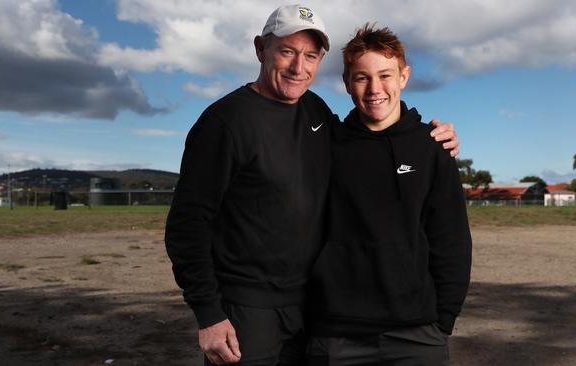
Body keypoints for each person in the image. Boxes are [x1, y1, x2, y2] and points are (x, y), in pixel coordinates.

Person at [165, 5, 459, 366]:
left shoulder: (316, 112)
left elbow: (372, 137)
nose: (298, 67)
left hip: (309, 310)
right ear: (261, 49)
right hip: (248, 309)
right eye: (287, 51)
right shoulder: (224, 122)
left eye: (310, 56)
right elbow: (187, 223)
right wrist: (209, 313)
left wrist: (430, 136)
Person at [307, 24, 472, 365]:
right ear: (346, 82)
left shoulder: (432, 147)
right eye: (362, 77)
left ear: (404, 77)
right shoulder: (326, 144)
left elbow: (451, 238)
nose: (375, 89)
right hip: (337, 334)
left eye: (385, 75)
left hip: (417, 334)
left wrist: (443, 320)